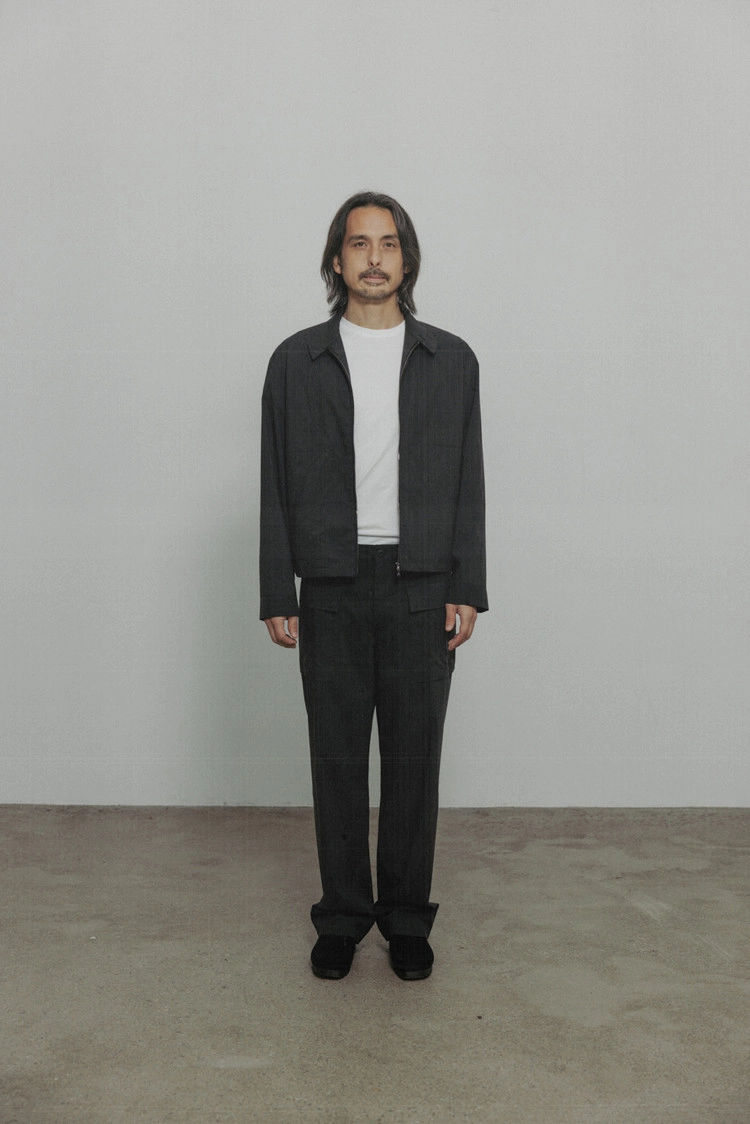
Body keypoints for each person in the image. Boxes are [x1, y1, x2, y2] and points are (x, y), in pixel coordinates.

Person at [260, 191, 487, 981]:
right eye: (359, 244)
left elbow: (469, 479)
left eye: (388, 243)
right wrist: (278, 590)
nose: (374, 258)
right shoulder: (297, 361)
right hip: (331, 583)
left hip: (421, 583)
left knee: (415, 762)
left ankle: (407, 919)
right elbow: (274, 482)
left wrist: (467, 584)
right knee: (336, 760)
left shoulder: (451, 360)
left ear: (407, 259)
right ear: (337, 260)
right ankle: (343, 916)